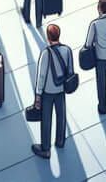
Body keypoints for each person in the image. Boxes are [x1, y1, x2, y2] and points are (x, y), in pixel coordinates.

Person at [30, 23, 73, 159]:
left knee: (46, 119)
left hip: (48, 92)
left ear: (48, 37)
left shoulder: (45, 53)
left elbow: (41, 76)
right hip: (61, 90)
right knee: (61, 115)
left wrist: (38, 94)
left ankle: (45, 149)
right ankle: (60, 141)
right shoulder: (67, 50)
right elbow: (71, 71)